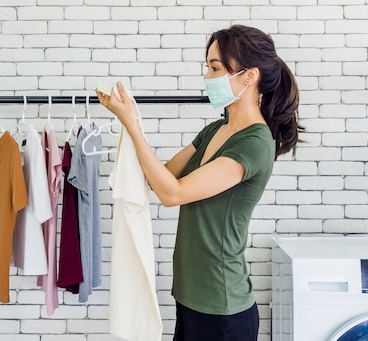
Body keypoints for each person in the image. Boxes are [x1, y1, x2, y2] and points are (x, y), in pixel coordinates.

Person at [96, 24, 303, 341]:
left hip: (222, 309)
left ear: (249, 76)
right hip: (191, 298)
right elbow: (161, 177)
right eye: (208, 67)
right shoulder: (214, 130)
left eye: (216, 68)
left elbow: (171, 193)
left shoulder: (254, 143)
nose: (207, 77)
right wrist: (130, 119)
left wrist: (133, 126)